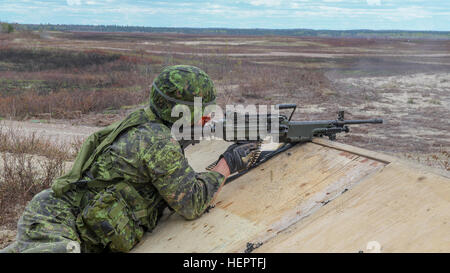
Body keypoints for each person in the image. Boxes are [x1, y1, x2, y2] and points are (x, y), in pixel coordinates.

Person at [0, 65, 258, 253]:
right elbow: (192, 203)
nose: (207, 115)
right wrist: (228, 163)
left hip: (59, 214)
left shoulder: (147, 119)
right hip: (58, 222)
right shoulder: (157, 142)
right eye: (202, 110)